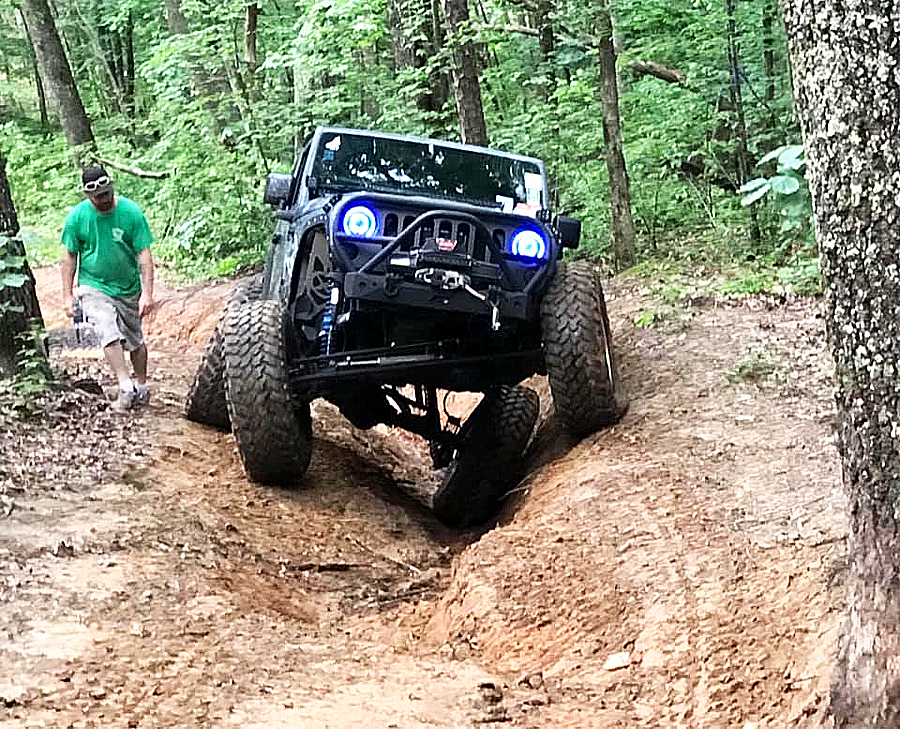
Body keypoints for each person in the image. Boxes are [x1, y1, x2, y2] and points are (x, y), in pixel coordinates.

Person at [60, 164, 156, 412]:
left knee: (135, 340)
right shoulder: (77, 218)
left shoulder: (131, 212)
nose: (103, 199)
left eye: (106, 193)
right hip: (93, 285)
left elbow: (144, 254)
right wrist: (67, 295)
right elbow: (69, 256)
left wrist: (147, 293)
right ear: (87, 195)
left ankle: (141, 385)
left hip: (128, 287)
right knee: (106, 328)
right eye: (97, 196)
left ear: (112, 186)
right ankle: (125, 386)